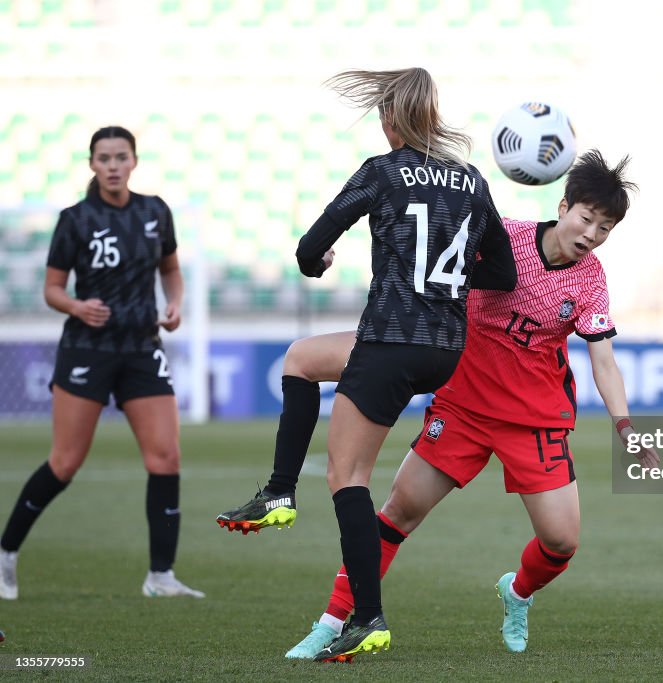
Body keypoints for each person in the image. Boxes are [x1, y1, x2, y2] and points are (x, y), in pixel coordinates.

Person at [276, 149, 660, 662]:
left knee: (562, 542)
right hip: (462, 408)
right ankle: (331, 621)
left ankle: (517, 592)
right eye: (587, 219)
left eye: (605, 228)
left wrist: (624, 427)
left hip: (534, 419)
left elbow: (604, 362)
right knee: (396, 514)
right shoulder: (505, 237)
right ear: (565, 206)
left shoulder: (590, 279)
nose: (591, 234)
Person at [222, 67, 517, 661]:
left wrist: (317, 263)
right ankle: (279, 490)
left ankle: (370, 616)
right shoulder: (470, 179)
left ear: (390, 119)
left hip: (390, 340)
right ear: (431, 116)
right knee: (302, 359)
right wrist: (450, 273)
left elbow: (309, 247)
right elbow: (503, 274)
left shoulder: (383, 171)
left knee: (347, 478)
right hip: (444, 347)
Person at [0, 126, 204, 600]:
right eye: (104, 158)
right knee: (66, 462)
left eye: (121, 157)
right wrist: (75, 306)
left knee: (166, 457)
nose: (113, 165)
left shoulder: (156, 211)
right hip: (87, 349)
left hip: (141, 346)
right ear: (91, 164)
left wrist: (175, 303)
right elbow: (52, 288)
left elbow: (171, 270)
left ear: (134, 161)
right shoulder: (76, 219)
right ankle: (7, 551)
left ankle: (160, 576)